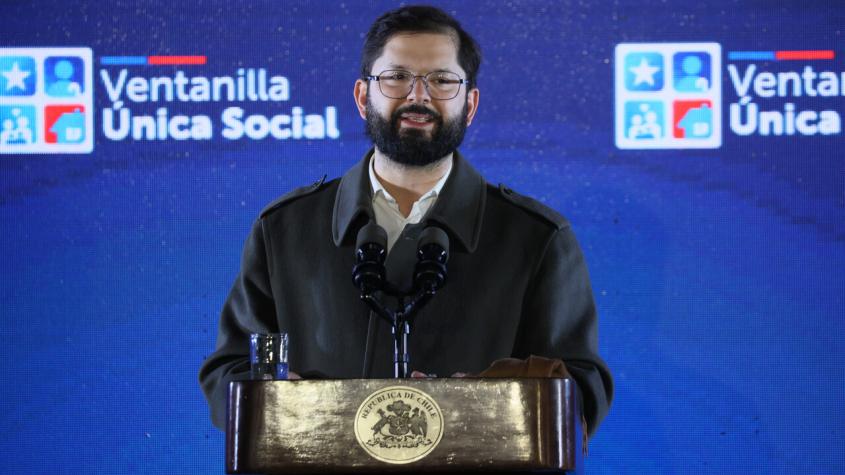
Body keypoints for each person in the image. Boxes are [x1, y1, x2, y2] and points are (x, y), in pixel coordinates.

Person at [199, 5, 612, 437]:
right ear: (363, 97)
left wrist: (488, 400)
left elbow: (582, 389)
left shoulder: (536, 238)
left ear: (470, 104)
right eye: (396, 77)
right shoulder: (286, 229)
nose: (419, 96)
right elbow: (230, 372)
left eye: (442, 80)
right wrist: (291, 402)